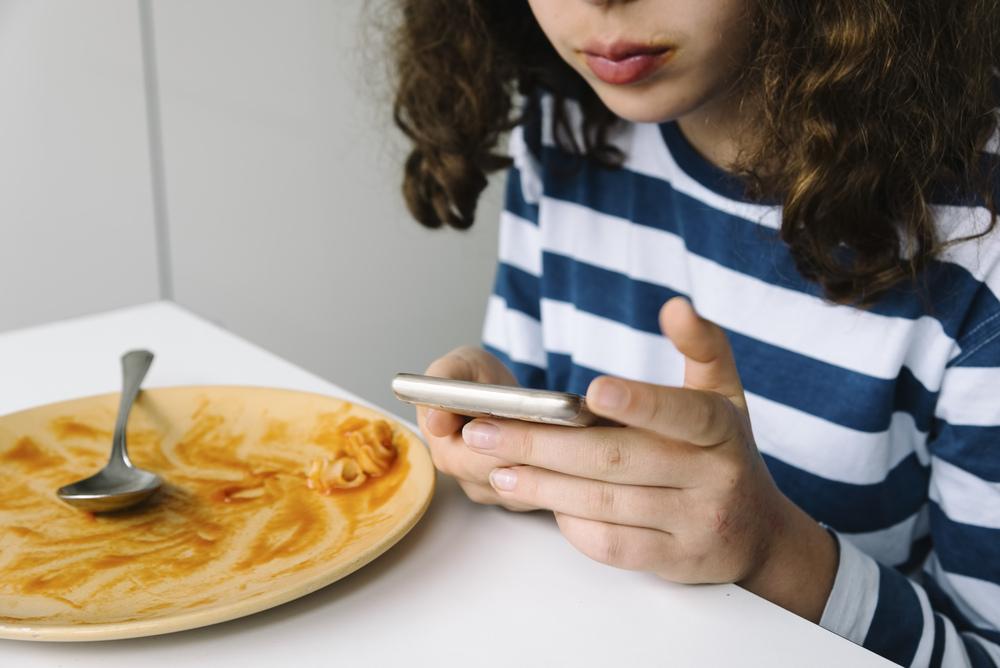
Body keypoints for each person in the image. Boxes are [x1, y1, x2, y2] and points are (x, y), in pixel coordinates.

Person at [390, 1, 1000, 665]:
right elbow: (544, 518)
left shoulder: (980, 237)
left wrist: (770, 550)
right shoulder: (566, 120)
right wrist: (501, 450)